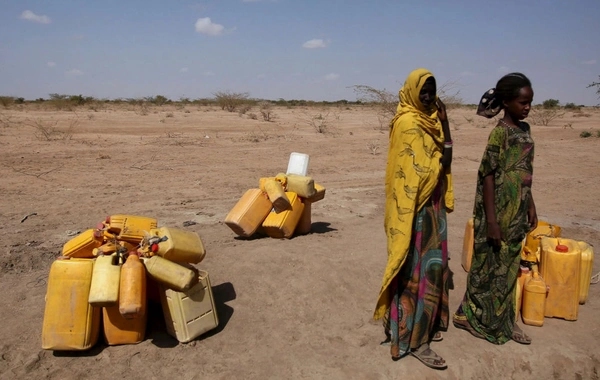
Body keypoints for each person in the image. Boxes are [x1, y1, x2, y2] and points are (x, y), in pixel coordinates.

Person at [373, 68, 454, 370]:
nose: (429, 96)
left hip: (432, 207)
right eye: (423, 90)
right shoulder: (406, 123)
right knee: (411, 272)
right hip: (412, 211)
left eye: (432, 90)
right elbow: (412, 172)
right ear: (411, 91)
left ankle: (420, 325)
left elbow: (444, 162)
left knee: (432, 269)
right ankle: (412, 338)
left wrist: (446, 123)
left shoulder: (433, 121)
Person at [453, 72, 537, 345]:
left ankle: (503, 319)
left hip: (517, 210)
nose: (527, 107)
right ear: (506, 102)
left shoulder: (524, 131)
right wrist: (491, 220)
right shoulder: (499, 133)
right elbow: (487, 175)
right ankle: (470, 316)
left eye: (530, 102)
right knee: (487, 266)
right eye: (522, 102)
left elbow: (523, 172)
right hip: (496, 211)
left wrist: (530, 204)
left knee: (510, 268)